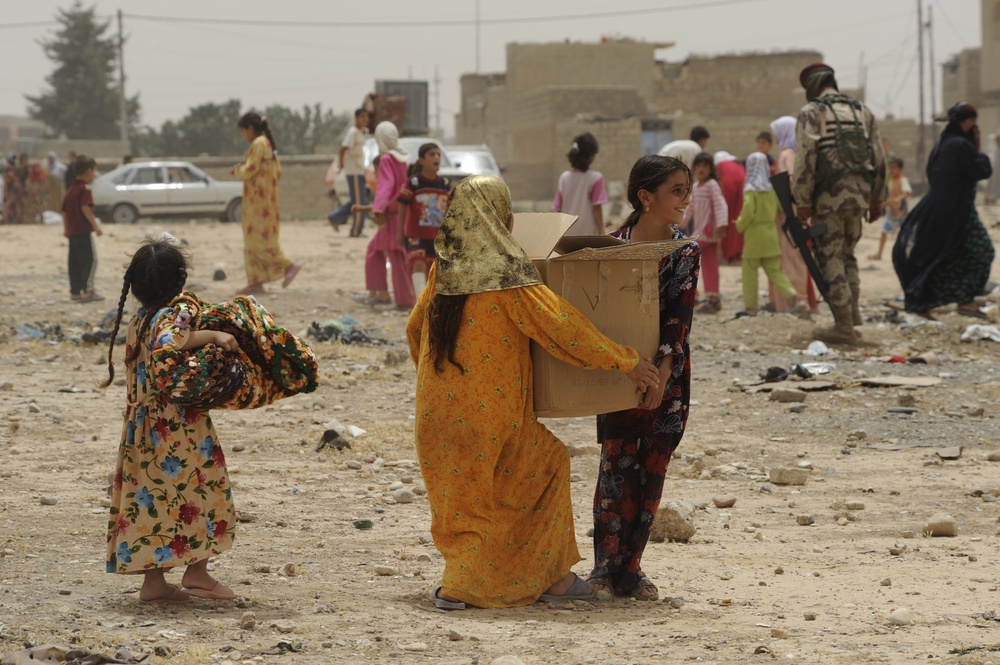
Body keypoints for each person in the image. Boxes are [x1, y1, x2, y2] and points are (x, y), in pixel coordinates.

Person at [406, 175, 660, 609]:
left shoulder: (442, 271)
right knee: (546, 464)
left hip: (434, 417)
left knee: (467, 505)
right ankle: (535, 581)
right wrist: (627, 360)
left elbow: (414, 331)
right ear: (500, 216)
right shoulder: (507, 275)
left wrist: (445, 391)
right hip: (493, 419)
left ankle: (470, 580)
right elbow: (562, 328)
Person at [100, 239, 240, 604]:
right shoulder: (165, 320)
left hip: (141, 430)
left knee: (150, 503)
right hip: (177, 428)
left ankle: (154, 583)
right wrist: (213, 335)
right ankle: (198, 572)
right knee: (200, 490)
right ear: (179, 282)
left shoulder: (137, 320)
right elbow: (170, 343)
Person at [589, 155, 701, 601]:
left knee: (652, 472)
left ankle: (632, 571)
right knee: (615, 470)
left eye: (686, 189)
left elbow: (679, 320)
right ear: (645, 196)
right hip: (619, 374)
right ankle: (603, 569)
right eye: (677, 190)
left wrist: (660, 379)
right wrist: (625, 367)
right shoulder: (611, 248)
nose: (685, 199)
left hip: (668, 379)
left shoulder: (684, 251)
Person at [793, 63, 886, 344]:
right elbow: (880, 157)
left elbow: (806, 158)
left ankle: (843, 327)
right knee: (848, 255)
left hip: (828, 200)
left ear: (812, 86)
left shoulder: (812, 112)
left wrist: (802, 200)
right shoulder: (862, 111)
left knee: (830, 257)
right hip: (859, 197)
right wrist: (878, 198)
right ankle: (852, 317)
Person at [893, 102, 994, 319]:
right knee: (981, 252)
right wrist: (979, 148)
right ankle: (940, 301)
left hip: (943, 208)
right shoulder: (960, 146)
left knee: (950, 254)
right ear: (962, 123)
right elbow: (982, 170)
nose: (974, 127)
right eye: (971, 122)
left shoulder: (943, 145)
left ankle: (956, 302)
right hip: (955, 212)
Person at [232, 112, 301, 296]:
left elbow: (250, 170)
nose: (243, 136)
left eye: (242, 131)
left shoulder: (259, 144)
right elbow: (277, 172)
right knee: (252, 242)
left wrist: (238, 169)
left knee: (259, 243)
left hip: (258, 206)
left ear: (249, 128)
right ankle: (255, 282)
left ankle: (288, 266)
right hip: (265, 203)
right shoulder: (268, 145)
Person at [357, 121, 414, 309]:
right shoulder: (402, 159)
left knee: (396, 257)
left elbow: (386, 185)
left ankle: (403, 300)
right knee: (377, 250)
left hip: (391, 214)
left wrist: (379, 208)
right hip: (399, 212)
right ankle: (380, 293)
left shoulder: (387, 159)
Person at [735, 153, 800, 316]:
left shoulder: (750, 190)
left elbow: (748, 211)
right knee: (775, 270)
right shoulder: (771, 189)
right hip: (771, 235)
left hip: (754, 236)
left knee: (749, 271)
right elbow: (780, 207)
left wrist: (739, 224)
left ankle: (751, 307)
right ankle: (791, 295)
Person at [770, 115, 819, 314]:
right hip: (795, 211)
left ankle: (796, 302)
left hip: (787, 213)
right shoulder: (797, 154)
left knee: (791, 259)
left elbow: (788, 184)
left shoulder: (787, 155)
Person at [397, 143, 451, 295]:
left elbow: (447, 209)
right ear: (421, 160)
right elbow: (401, 205)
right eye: (432, 154)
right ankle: (420, 305)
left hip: (436, 237)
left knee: (432, 271)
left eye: (438, 155)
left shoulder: (444, 184)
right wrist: (400, 232)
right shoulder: (414, 183)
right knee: (418, 265)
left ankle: (429, 306)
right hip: (415, 235)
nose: (436, 158)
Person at [683, 152, 728, 313]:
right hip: (702, 231)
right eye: (698, 166)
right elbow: (690, 208)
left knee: (687, 252)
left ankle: (687, 295)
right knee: (710, 265)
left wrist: (722, 224)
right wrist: (680, 222)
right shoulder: (695, 187)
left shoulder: (711, 185)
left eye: (705, 166)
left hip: (708, 231)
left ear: (710, 169)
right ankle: (713, 298)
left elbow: (720, 204)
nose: (701, 169)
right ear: (694, 169)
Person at [62, 155, 103, 302]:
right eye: (93, 171)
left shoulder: (71, 189)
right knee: (90, 260)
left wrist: (66, 229)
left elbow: (64, 210)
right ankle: (88, 290)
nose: (94, 174)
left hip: (73, 232)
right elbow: (84, 206)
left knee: (74, 261)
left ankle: (75, 292)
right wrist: (95, 225)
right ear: (87, 172)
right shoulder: (85, 189)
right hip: (83, 231)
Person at [553, 132, 608, 236]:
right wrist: (602, 228)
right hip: (589, 236)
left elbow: (558, 209)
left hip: (567, 235)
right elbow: (596, 207)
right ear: (591, 155)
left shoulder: (564, 178)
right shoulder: (595, 178)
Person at [327, 108, 370, 237]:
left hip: (359, 171)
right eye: (362, 117)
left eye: (366, 117)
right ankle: (356, 230)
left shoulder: (361, 133)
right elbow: (343, 149)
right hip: (354, 172)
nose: (365, 120)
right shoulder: (353, 132)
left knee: (357, 200)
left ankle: (335, 216)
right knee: (359, 203)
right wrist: (341, 164)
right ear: (356, 118)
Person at [870, 157, 911, 260]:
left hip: (902, 214)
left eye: (894, 168)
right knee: (884, 231)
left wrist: (899, 198)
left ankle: (906, 256)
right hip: (892, 214)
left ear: (900, 169)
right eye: (890, 168)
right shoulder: (891, 181)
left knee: (905, 235)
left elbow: (907, 193)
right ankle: (879, 254)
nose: (891, 170)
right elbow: (891, 198)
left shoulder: (903, 180)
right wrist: (885, 203)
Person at [715, 151, 746, 263]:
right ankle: (737, 253)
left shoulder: (719, 164)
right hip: (743, 185)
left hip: (728, 186)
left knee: (725, 218)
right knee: (737, 217)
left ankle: (726, 253)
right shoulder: (737, 163)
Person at [2, 153, 25, 224]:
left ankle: (13, 221)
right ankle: (7, 220)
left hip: (14, 188)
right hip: (9, 188)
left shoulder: (14, 167)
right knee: (8, 204)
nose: (14, 160)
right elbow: (10, 175)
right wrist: (16, 180)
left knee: (15, 204)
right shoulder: (7, 167)